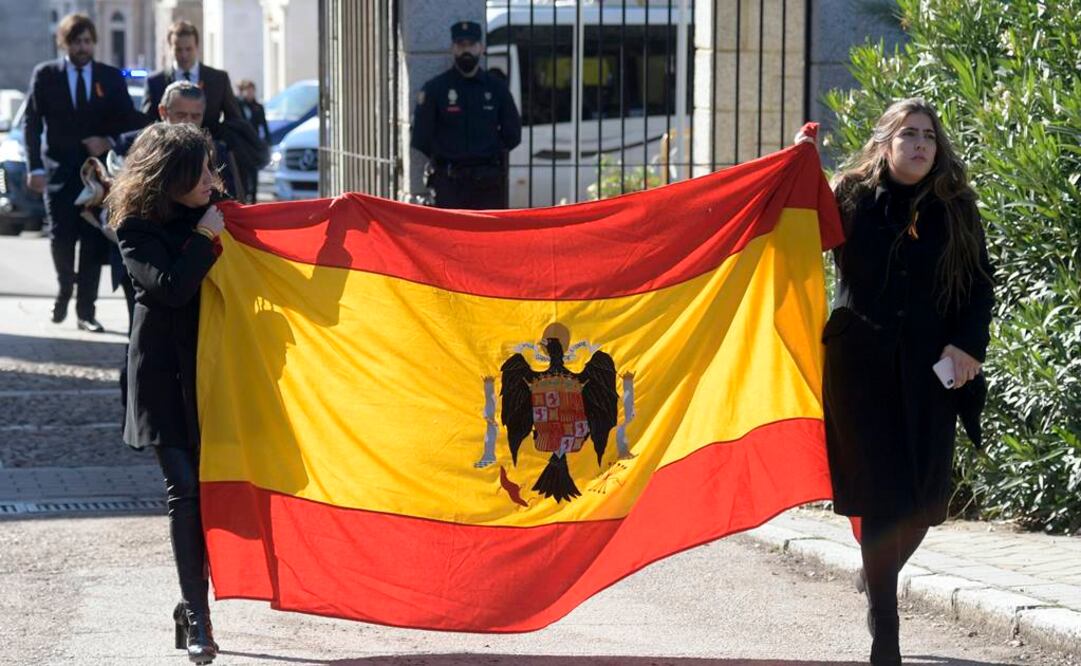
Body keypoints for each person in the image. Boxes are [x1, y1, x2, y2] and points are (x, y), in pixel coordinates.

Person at [817, 99, 995, 665]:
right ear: (885, 144)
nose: (920, 144)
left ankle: (879, 577)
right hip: (859, 370)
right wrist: (799, 161)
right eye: (908, 135)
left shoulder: (956, 208)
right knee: (880, 498)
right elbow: (793, 223)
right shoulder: (849, 197)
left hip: (929, 370)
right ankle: (886, 634)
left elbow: (978, 286)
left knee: (925, 501)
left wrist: (967, 345)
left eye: (929, 136)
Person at [105, 122, 226, 665]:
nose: (209, 179)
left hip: (212, 368)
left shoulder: (217, 208)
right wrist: (204, 239)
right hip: (158, 372)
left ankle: (192, 604)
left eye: (209, 168)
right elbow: (171, 288)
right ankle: (197, 617)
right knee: (184, 490)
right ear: (170, 175)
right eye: (198, 171)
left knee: (209, 486)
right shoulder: (135, 224)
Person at [23, 12, 146, 331]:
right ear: (65, 43)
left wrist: (106, 141)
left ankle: (86, 311)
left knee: (92, 241)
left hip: (98, 176)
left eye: (87, 41)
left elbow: (128, 121)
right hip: (59, 173)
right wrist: (34, 167)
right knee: (61, 238)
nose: (82, 47)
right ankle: (66, 287)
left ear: (94, 43)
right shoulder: (46, 75)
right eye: (76, 41)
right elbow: (32, 123)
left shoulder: (109, 77)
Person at [410, 20, 522, 209]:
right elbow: (421, 137)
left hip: (488, 184)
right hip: (449, 184)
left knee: (486, 237)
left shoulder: (496, 89)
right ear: (453, 48)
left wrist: (488, 152)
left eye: (471, 45)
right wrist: (448, 154)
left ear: (481, 47)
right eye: (461, 45)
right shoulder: (436, 89)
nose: (466, 50)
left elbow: (513, 134)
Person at [143, 20, 241, 141]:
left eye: (188, 49)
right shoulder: (155, 82)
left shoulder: (219, 79)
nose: (184, 55)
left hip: (210, 151)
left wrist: (219, 143)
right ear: (170, 47)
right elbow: (147, 123)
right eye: (178, 50)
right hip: (169, 151)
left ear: (197, 47)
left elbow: (234, 120)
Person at [235, 79, 270, 203]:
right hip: (242, 144)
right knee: (242, 172)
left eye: (252, 91)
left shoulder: (258, 107)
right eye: (247, 91)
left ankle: (253, 198)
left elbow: (263, 125)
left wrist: (266, 142)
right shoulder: (238, 105)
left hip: (254, 144)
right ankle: (244, 196)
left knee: (254, 172)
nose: (250, 93)